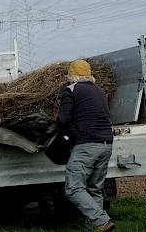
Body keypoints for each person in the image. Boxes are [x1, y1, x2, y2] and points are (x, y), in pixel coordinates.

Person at [57, 60, 115, 232]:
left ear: (72, 75)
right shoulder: (99, 90)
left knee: (73, 188)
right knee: (94, 188)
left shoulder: (71, 90)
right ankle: (94, 227)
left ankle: (101, 220)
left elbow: (64, 119)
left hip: (87, 144)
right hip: (106, 144)